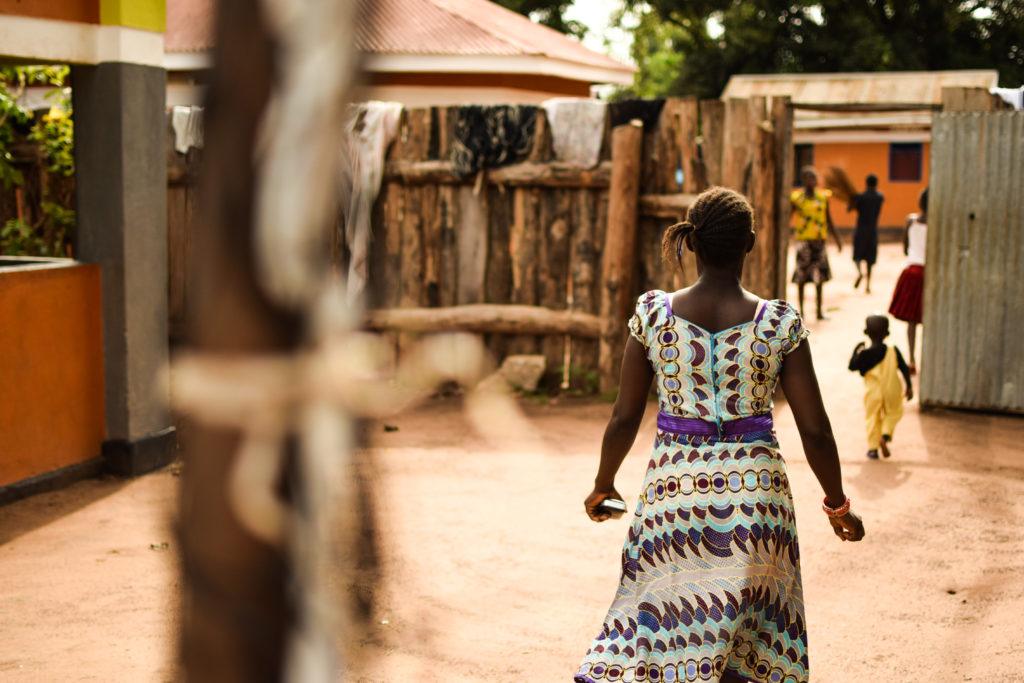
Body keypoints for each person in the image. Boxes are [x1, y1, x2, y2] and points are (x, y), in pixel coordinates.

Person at [575, 187, 864, 683]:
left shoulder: (654, 316)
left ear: (692, 244)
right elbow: (815, 429)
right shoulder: (778, 323)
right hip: (757, 501)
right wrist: (838, 505)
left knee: (668, 631)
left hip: (673, 496)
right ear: (749, 243)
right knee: (747, 641)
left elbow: (624, 417)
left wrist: (604, 484)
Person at [848, 314, 913, 459]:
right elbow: (904, 368)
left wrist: (856, 351)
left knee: (872, 417)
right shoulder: (893, 350)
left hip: (873, 392)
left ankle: (873, 449)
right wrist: (909, 387)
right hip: (892, 389)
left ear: (866, 333)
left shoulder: (864, 354)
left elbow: (851, 367)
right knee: (894, 412)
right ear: (887, 334)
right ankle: (885, 435)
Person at [790, 167, 842, 320]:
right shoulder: (796, 198)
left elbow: (829, 219)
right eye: (809, 178)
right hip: (804, 242)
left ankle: (819, 311)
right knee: (802, 277)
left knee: (820, 278)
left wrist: (837, 239)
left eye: (814, 178)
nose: (812, 181)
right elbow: (788, 215)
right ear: (803, 180)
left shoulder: (823, 197)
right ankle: (801, 312)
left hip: (819, 241)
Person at [888, 188, 928, 373]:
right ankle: (927, 359)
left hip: (911, 272)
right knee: (927, 319)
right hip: (928, 274)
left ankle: (912, 360)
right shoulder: (937, 224)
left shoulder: (910, 220)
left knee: (912, 321)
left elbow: (905, 248)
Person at [848, 173, 884, 293]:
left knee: (857, 256)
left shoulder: (860, 197)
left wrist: (852, 199)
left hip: (860, 230)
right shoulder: (880, 197)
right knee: (870, 259)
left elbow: (849, 209)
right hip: (872, 231)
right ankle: (868, 285)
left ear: (866, 183)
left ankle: (859, 273)